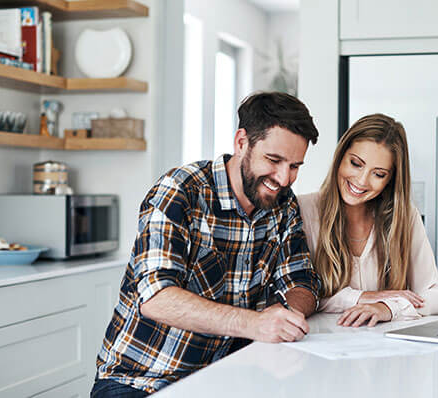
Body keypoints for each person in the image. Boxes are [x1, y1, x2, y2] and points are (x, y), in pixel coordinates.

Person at [92, 92, 321, 397]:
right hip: (142, 381)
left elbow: (302, 281)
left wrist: (285, 315)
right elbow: (156, 297)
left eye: (295, 166)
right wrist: (255, 324)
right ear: (242, 142)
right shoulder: (180, 191)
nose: (284, 178)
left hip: (227, 377)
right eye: (274, 160)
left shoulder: (283, 205)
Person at [298, 113, 438, 328]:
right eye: (356, 163)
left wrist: (387, 308)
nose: (361, 181)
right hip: (320, 348)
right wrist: (363, 297)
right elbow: (299, 296)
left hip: (384, 352)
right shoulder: (302, 210)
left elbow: (436, 295)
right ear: (340, 156)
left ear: (390, 180)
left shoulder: (405, 216)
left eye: (378, 174)